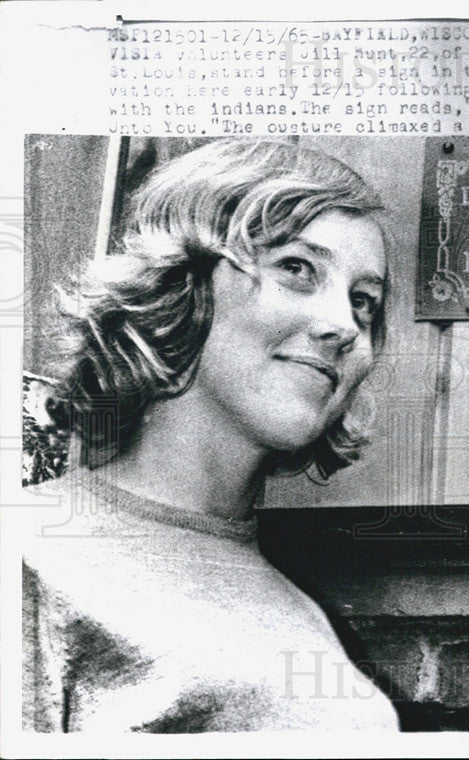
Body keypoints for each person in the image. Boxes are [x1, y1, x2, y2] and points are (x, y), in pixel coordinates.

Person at [22, 139, 399, 732]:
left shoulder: (300, 609)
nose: (343, 327)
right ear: (181, 286)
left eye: (364, 302)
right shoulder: (30, 554)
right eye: (297, 269)